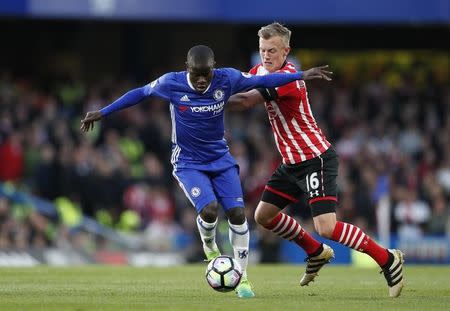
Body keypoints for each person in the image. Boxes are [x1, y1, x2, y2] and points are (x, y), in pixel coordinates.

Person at [80, 44, 332, 298]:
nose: (202, 80)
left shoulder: (226, 78)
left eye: (206, 74)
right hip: (188, 162)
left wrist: (300, 75)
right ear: (187, 69)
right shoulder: (171, 83)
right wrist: (103, 112)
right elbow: (140, 93)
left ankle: (242, 278)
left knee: (236, 213)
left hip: (220, 159)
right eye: (196, 74)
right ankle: (209, 245)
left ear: (213, 68)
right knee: (210, 209)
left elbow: (264, 79)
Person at [227, 23, 404, 298]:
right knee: (263, 216)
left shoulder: (288, 78)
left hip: (315, 158)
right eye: (262, 50)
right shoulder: (259, 71)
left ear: (286, 51)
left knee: (326, 226)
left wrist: (210, 99)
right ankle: (315, 251)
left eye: (272, 50)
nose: (266, 56)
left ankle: (387, 259)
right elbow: (239, 82)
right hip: (290, 163)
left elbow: (245, 101)